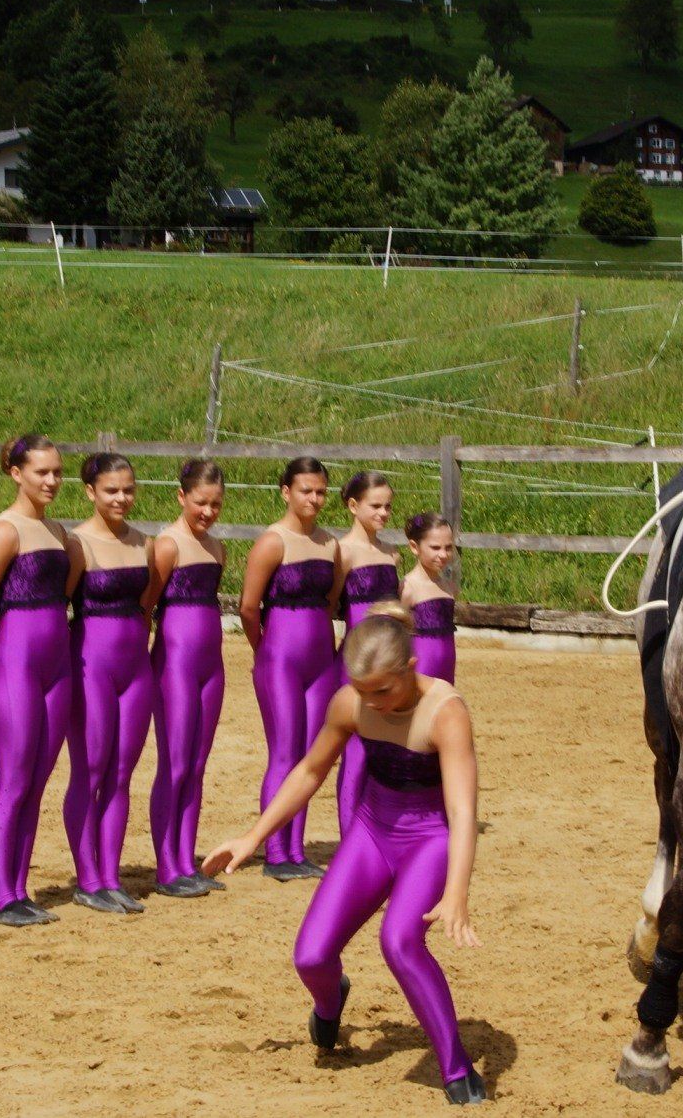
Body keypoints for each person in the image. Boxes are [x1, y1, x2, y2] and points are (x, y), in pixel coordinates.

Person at [203, 604, 487, 1105]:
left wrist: (456, 892)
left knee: (399, 941)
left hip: (430, 838)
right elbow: (310, 771)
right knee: (311, 956)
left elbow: (463, 812)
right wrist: (253, 837)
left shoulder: (446, 712)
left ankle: (456, 1068)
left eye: (383, 691)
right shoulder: (350, 703)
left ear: (412, 667)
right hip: (372, 831)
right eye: (362, 691)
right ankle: (331, 1001)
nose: (372, 703)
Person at [0, 434, 83, 927]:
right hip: (13, 666)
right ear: (17, 474)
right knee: (13, 781)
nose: (52, 480)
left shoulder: (58, 532)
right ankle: (2, 898)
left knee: (36, 782)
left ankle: (19, 889)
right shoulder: (5, 531)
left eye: (57, 472)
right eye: (42, 472)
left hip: (57, 667)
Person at [240, 457, 345, 881]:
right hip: (279, 658)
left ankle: (296, 851)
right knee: (284, 752)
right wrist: (263, 651)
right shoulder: (273, 542)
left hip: (321, 661)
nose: (314, 499)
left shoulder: (330, 544)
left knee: (310, 755)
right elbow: (249, 607)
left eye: (321, 492)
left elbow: (331, 601)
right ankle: (275, 852)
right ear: (286, 492)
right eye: (306, 491)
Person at [62, 452, 155, 915]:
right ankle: (87, 878)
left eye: (128, 490)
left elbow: (147, 605)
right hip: (90, 667)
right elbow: (58, 606)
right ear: (90, 492)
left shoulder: (145, 543)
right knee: (91, 768)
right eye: (111, 490)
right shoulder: (77, 544)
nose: (121, 498)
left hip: (136, 669)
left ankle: (111, 876)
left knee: (122, 772)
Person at [147, 458, 229, 899]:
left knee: (197, 764)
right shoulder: (168, 545)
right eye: (200, 502)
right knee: (175, 763)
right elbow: (146, 606)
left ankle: (185, 860)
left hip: (210, 666)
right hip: (174, 665)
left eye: (216, 504)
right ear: (181, 497)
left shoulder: (217, 549)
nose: (208, 512)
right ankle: (166, 866)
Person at [336, 471, 400, 834]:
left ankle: (376, 828)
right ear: (353, 505)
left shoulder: (391, 554)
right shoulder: (343, 552)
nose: (384, 513)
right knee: (356, 750)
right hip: (355, 662)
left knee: (382, 748)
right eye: (376, 506)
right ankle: (350, 835)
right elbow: (331, 604)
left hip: (386, 662)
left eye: (388, 506)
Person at [402, 512, 459, 682]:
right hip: (421, 669)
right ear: (414, 547)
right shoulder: (408, 588)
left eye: (448, 547)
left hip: (447, 666)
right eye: (435, 548)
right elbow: (398, 636)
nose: (443, 554)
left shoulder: (449, 587)